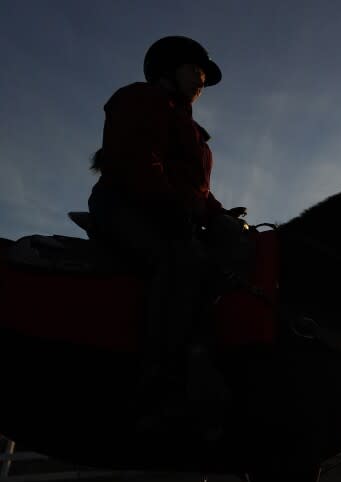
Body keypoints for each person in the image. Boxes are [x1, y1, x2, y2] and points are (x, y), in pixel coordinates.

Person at [87, 36, 245, 434]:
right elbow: (137, 161)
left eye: (204, 75)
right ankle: (159, 383)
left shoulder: (195, 133)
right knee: (182, 261)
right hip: (125, 206)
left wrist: (222, 216)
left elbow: (196, 192)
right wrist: (177, 209)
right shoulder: (139, 99)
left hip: (171, 214)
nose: (201, 80)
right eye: (196, 70)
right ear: (167, 70)